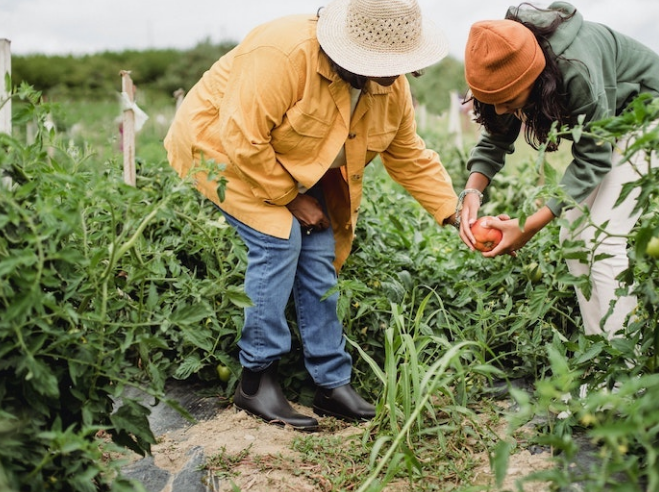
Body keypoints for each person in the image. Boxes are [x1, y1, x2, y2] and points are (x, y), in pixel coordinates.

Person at [164, 0, 459, 431]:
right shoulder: (284, 54)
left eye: (403, 63)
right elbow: (242, 139)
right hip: (222, 151)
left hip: (294, 160)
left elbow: (409, 154)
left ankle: (331, 383)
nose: (395, 75)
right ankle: (255, 379)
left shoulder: (389, 86)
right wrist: (291, 198)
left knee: (319, 253)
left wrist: (454, 213)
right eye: (386, 64)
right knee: (279, 239)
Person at [457, 2, 659, 337]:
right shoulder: (503, 59)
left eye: (509, 100)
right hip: (613, 126)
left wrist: (527, 226)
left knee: (602, 238)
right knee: (572, 235)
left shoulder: (576, 69)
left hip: (652, 116)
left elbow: (593, 159)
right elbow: (495, 139)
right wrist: (472, 192)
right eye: (492, 100)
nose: (500, 109)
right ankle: (599, 358)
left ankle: (628, 372)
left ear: (537, 80)